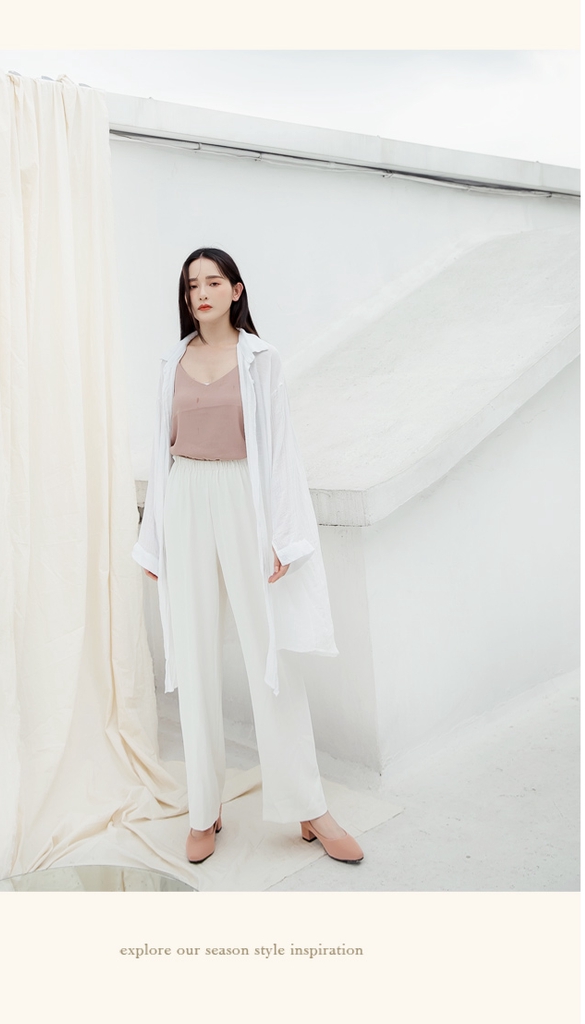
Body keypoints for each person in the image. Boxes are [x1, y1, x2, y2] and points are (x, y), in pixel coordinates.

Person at [133, 247, 364, 867]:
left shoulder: (261, 360)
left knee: (271, 654)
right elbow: (159, 451)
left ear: (236, 290)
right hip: (186, 497)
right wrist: (153, 538)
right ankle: (203, 809)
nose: (202, 293)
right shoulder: (171, 362)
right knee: (194, 656)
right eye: (192, 285)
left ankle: (309, 806)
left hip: (245, 499)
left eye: (213, 282)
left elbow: (281, 452)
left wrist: (283, 537)